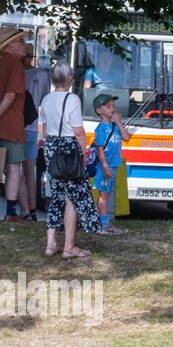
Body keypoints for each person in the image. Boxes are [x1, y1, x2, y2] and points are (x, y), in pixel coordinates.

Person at [37, 61, 99, 258]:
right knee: (71, 197)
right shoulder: (72, 99)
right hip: (69, 149)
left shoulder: (46, 99)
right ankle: (69, 247)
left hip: (51, 148)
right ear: (70, 79)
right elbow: (79, 131)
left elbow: (43, 129)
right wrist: (84, 152)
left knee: (56, 195)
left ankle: (50, 244)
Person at [0, 26, 30, 223]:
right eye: (20, 41)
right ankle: (10, 212)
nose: (25, 45)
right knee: (13, 167)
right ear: (10, 46)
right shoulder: (15, 65)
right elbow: (10, 96)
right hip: (10, 125)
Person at [90, 93, 130, 235]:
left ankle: (101, 222)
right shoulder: (100, 129)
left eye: (113, 106)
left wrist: (118, 122)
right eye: (108, 107)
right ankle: (104, 225)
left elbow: (126, 137)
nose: (112, 109)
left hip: (113, 165)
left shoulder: (115, 126)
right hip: (105, 167)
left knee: (106, 195)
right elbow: (100, 150)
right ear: (99, 111)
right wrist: (105, 167)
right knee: (104, 196)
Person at [22, 44, 50, 221]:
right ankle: (31, 210)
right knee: (29, 170)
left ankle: (23, 209)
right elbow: (44, 101)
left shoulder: (17, 73)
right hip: (33, 125)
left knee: (14, 170)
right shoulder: (42, 75)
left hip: (17, 125)